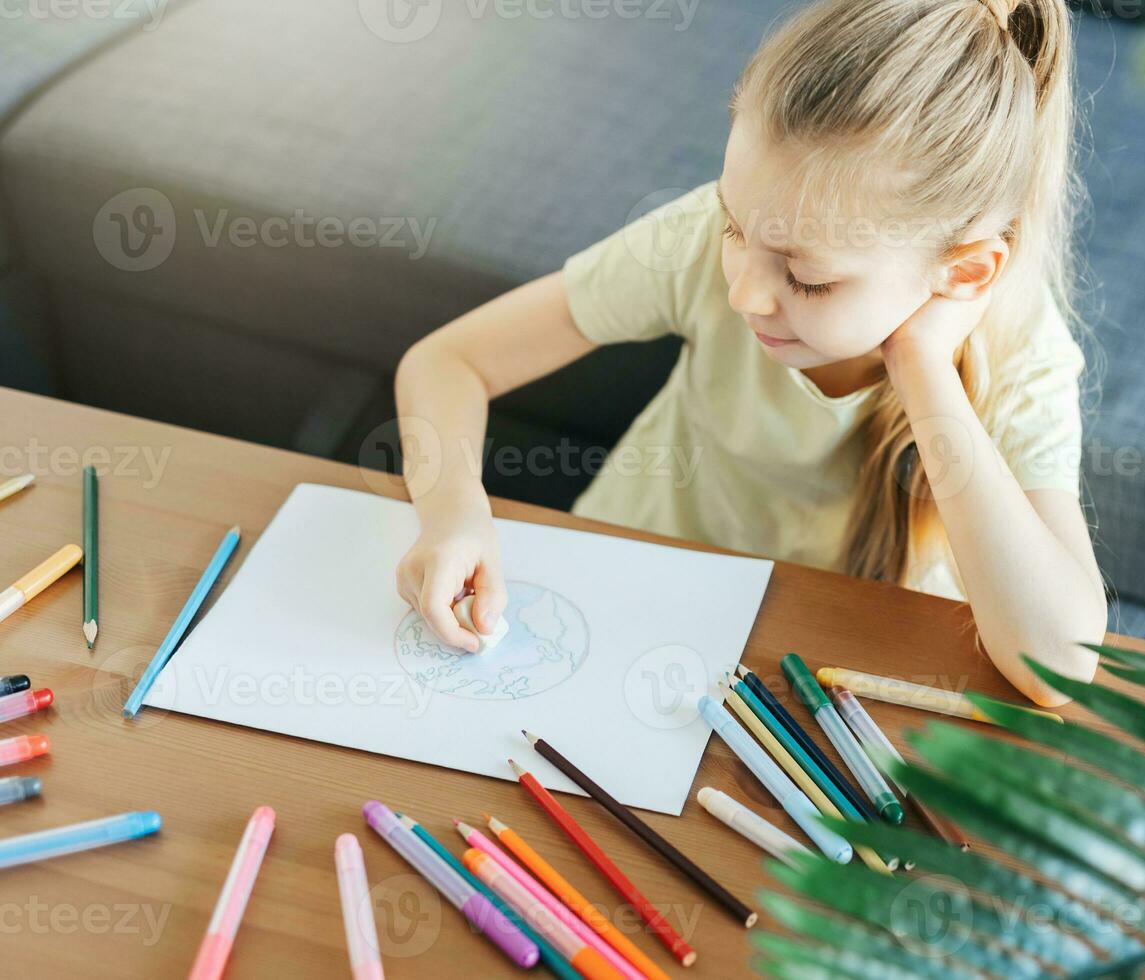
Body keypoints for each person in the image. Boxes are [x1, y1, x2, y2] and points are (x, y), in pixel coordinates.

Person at [394, 0, 1106, 706]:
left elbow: (1061, 667)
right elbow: (448, 362)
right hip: (630, 606)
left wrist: (920, 365)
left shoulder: (1024, 357)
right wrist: (454, 515)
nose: (746, 295)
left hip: (826, 689)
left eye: (807, 278)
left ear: (965, 271)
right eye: (735, 227)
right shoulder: (703, 240)